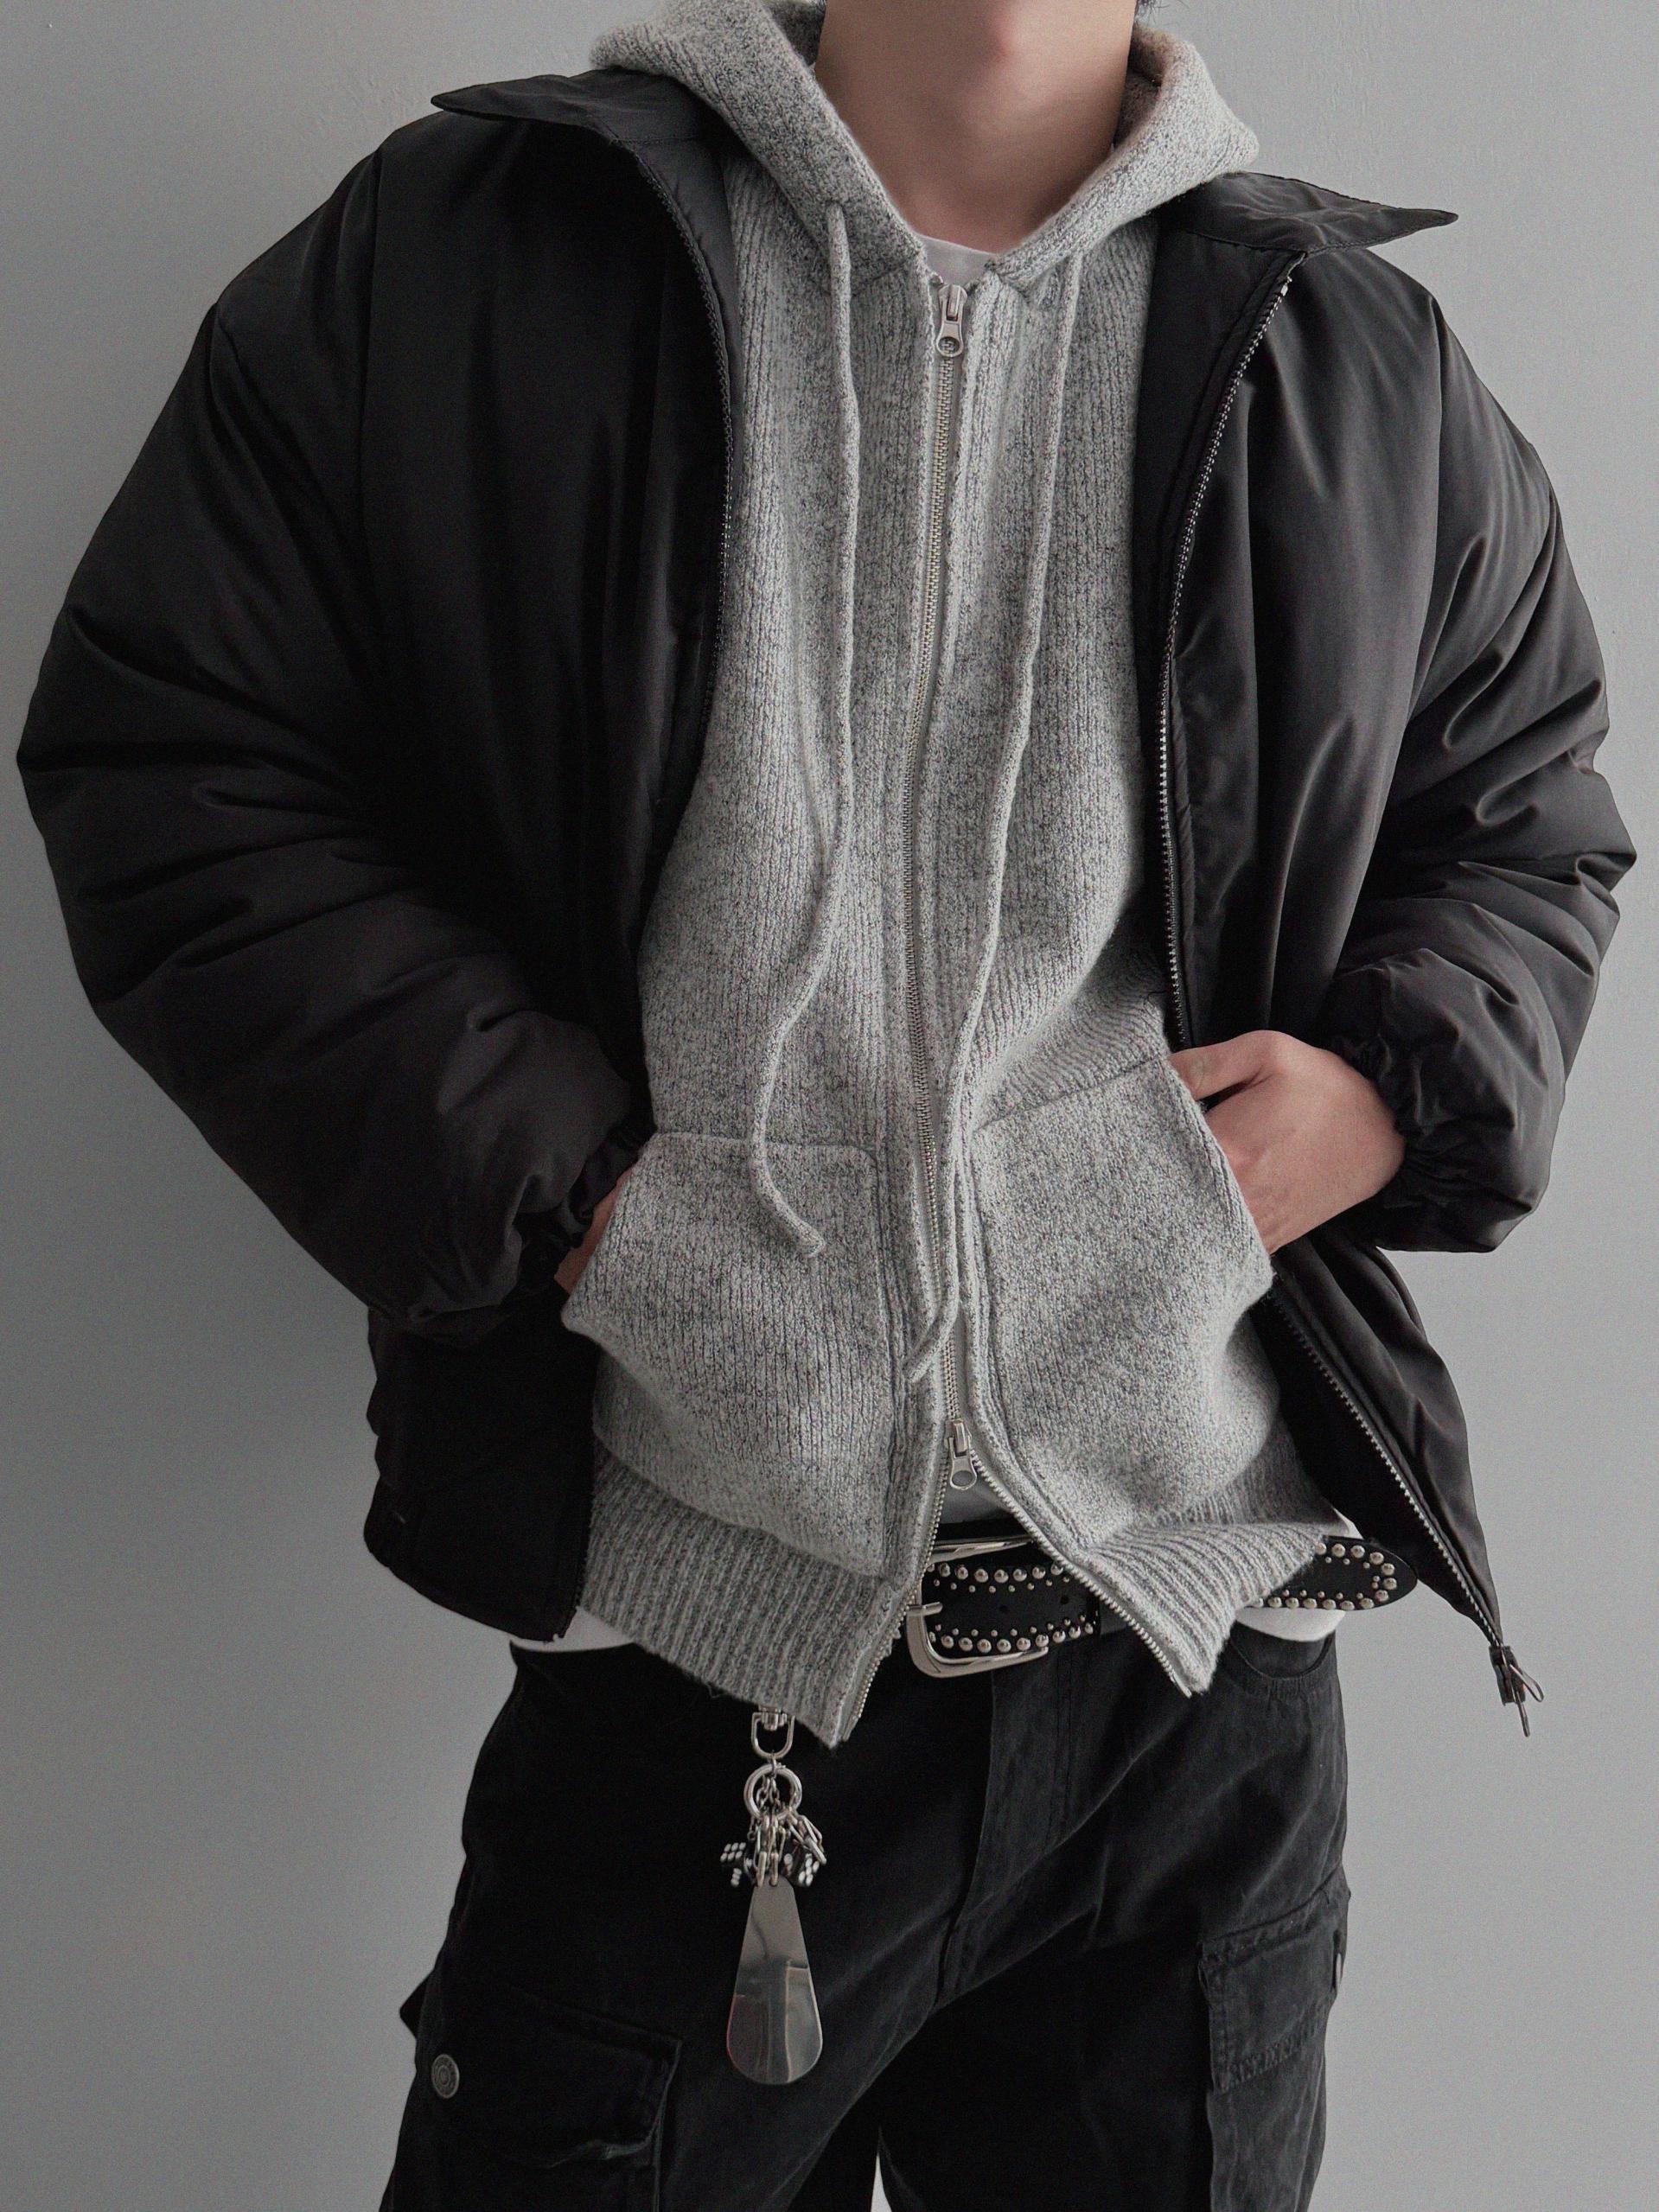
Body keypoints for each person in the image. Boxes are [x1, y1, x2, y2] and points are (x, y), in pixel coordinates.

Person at [16, 0, 1633, 2204]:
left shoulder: (1345, 350)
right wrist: (581, 1196)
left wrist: (1380, 1096)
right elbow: (173, 756)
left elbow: (1528, 821)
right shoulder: (469, 254)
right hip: (696, 1671)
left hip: (1201, 1698)